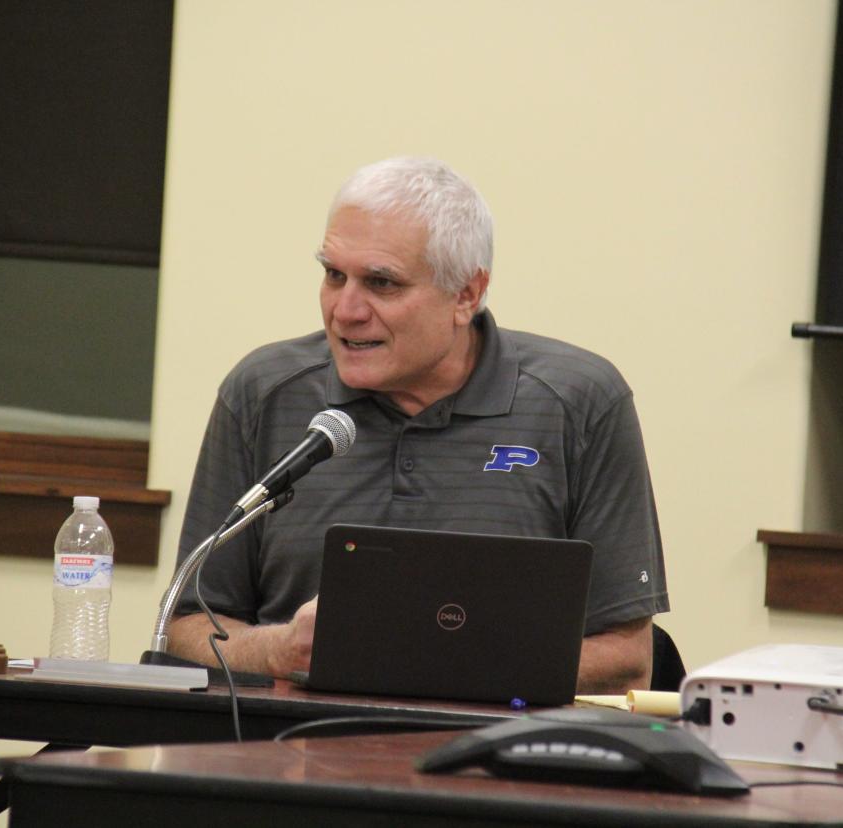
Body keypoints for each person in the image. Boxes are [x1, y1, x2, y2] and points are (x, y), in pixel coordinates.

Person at [168, 157, 668, 695]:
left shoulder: (580, 402)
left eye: (381, 283)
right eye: (334, 275)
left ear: (467, 295)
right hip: (293, 753)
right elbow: (186, 628)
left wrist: (417, 664)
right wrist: (280, 650)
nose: (345, 310)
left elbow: (626, 659)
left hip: (492, 759)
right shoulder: (264, 393)